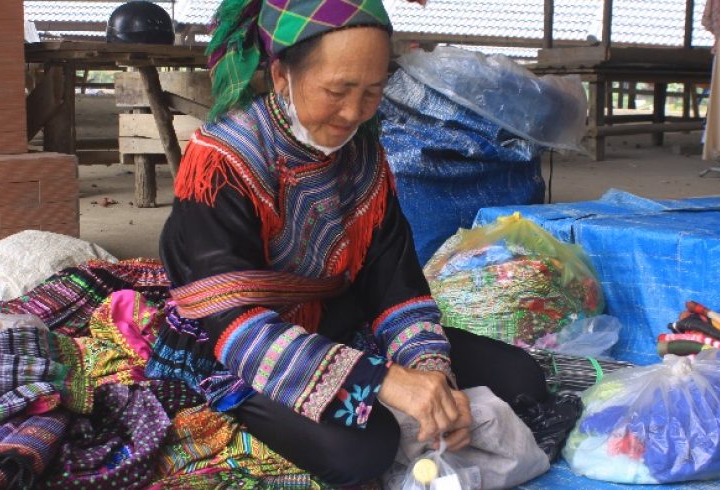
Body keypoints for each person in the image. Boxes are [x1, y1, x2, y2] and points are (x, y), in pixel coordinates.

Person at [145, 0, 552, 485]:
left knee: (521, 380)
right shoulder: (221, 164)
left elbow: (396, 289)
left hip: (338, 328)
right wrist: (382, 380)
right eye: (337, 90)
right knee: (362, 449)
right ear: (281, 75)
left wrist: (433, 377)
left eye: (373, 92)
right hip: (232, 346)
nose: (354, 112)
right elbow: (236, 328)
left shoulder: (365, 160)